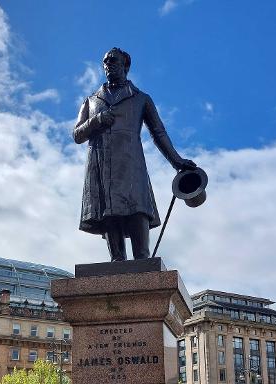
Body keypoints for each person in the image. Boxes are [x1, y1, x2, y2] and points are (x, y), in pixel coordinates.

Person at [73, 48, 197, 261]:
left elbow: (158, 132)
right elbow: (77, 134)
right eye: (105, 62)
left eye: (113, 61)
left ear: (126, 66)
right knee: (109, 212)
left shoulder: (141, 99)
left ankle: (143, 264)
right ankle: (117, 262)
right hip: (101, 166)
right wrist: (97, 120)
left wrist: (177, 161)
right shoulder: (92, 100)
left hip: (131, 163)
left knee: (137, 209)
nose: (108, 65)